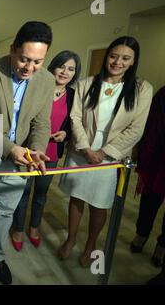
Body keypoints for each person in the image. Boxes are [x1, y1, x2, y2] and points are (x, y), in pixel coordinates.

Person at [0, 21, 55, 284]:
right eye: (24, 59)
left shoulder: (47, 80)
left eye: (38, 62)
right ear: (12, 49)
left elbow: (42, 123)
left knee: (5, 212)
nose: (30, 68)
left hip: (21, 162)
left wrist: (36, 152)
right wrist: (10, 148)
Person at [58, 36, 153, 267]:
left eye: (125, 58)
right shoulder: (87, 83)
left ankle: (91, 244)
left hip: (111, 156)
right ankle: (70, 239)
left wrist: (104, 152)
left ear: (133, 62)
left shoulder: (142, 89)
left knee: (99, 202)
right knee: (77, 197)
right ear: (106, 56)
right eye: (113, 56)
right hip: (82, 150)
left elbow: (136, 128)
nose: (117, 62)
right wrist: (86, 147)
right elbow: (75, 117)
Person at [10, 50, 81, 251]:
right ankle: (17, 230)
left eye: (71, 69)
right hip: (27, 149)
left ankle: (34, 227)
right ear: (52, 67)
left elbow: (73, 123)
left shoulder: (74, 96)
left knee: (41, 192)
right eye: (61, 66)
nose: (65, 72)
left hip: (51, 152)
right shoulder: (36, 87)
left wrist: (65, 134)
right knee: (22, 191)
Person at [130, 86, 165, 268]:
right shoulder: (163, 94)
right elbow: (151, 124)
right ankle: (142, 233)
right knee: (149, 200)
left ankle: (162, 245)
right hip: (158, 157)